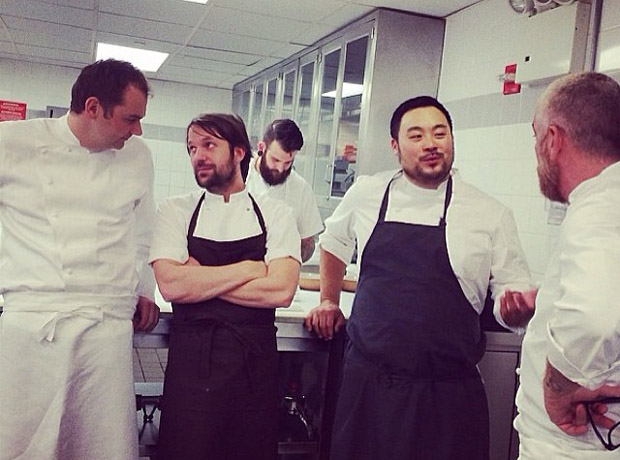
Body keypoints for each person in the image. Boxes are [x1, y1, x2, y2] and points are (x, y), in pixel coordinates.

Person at [304, 96, 532, 460]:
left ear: (452, 140)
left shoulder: (490, 213)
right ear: (395, 146)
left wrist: (516, 311)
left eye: (440, 133)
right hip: (369, 389)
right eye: (416, 134)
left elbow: (511, 295)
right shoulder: (368, 193)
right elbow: (333, 242)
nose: (430, 143)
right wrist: (328, 300)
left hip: (447, 396)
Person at [0, 59, 159, 460]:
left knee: (101, 446)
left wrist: (144, 289)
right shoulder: (11, 143)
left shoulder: (138, 156)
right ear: (93, 107)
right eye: (130, 118)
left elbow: (142, 232)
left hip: (106, 329)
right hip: (32, 326)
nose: (137, 130)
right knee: (20, 444)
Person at [149, 113, 301, 460]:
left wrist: (201, 280)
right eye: (191, 148)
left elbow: (280, 290)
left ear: (239, 152)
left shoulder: (276, 213)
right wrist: (251, 268)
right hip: (192, 368)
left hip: (254, 371)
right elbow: (171, 285)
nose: (197, 155)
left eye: (209, 145)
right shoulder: (176, 211)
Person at [498, 72, 620, 459]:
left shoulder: (599, 208)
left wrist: (559, 385)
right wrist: (548, 302)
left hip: (570, 446)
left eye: (536, 138)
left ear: (553, 140)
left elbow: (593, 316)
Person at [246, 118, 323, 262]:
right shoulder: (239, 178)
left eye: (288, 162)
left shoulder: (301, 189)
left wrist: (287, 260)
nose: (281, 169)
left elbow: (307, 242)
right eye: (275, 160)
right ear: (261, 147)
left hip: (280, 278)